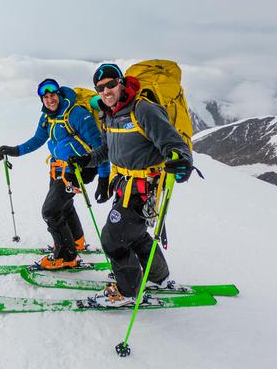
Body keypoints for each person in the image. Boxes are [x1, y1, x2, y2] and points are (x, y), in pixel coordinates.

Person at [68, 64, 194, 306]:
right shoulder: (108, 113)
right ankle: (158, 278)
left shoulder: (143, 109)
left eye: (111, 84)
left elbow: (173, 143)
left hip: (144, 187)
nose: (106, 91)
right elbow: (107, 149)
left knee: (112, 239)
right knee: (135, 235)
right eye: (100, 87)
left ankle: (127, 292)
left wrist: (183, 162)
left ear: (122, 83)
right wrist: (87, 159)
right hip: (122, 185)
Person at [0, 78, 110, 269]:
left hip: (79, 169)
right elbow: (37, 140)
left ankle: (66, 256)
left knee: (50, 212)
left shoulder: (77, 114)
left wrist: (104, 178)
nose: (50, 100)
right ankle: (76, 241)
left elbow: (100, 147)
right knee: (63, 206)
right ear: (42, 100)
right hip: (58, 168)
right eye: (46, 97)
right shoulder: (47, 117)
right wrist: (14, 150)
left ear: (59, 94)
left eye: (53, 95)